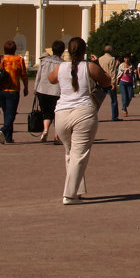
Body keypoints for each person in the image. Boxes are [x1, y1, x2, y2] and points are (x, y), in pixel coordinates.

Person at [50, 37, 112, 205]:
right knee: (79, 155)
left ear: (68, 51)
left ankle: (76, 191)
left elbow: (51, 79)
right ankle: (69, 195)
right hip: (83, 112)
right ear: (84, 51)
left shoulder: (60, 67)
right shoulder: (89, 66)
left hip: (61, 114)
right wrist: (97, 64)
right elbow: (107, 81)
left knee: (70, 153)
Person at [0, 40, 29, 144]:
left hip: (1, 90)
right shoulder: (19, 60)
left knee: (7, 113)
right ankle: (3, 129)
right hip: (13, 90)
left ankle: (8, 137)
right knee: (11, 114)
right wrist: (26, 87)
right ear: (15, 49)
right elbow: (24, 75)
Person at [34, 40, 65, 143]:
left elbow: (38, 76)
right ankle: (57, 137)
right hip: (56, 92)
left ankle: (46, 129)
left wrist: (35, 89)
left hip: (42, 90)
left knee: (46, 113)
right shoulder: (63, 64)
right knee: (58, 114)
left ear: (52, 50)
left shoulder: (44, 61)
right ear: (62, 51)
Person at [97, 45, 119, 121]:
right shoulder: (111, 59)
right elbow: (112, 72)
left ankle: (94, 115)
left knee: (98, 100)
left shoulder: (100, 59)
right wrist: (113, 83)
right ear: (111, 51)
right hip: (109, 82)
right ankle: (114, 116)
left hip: (101, 81)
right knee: (113, 100)